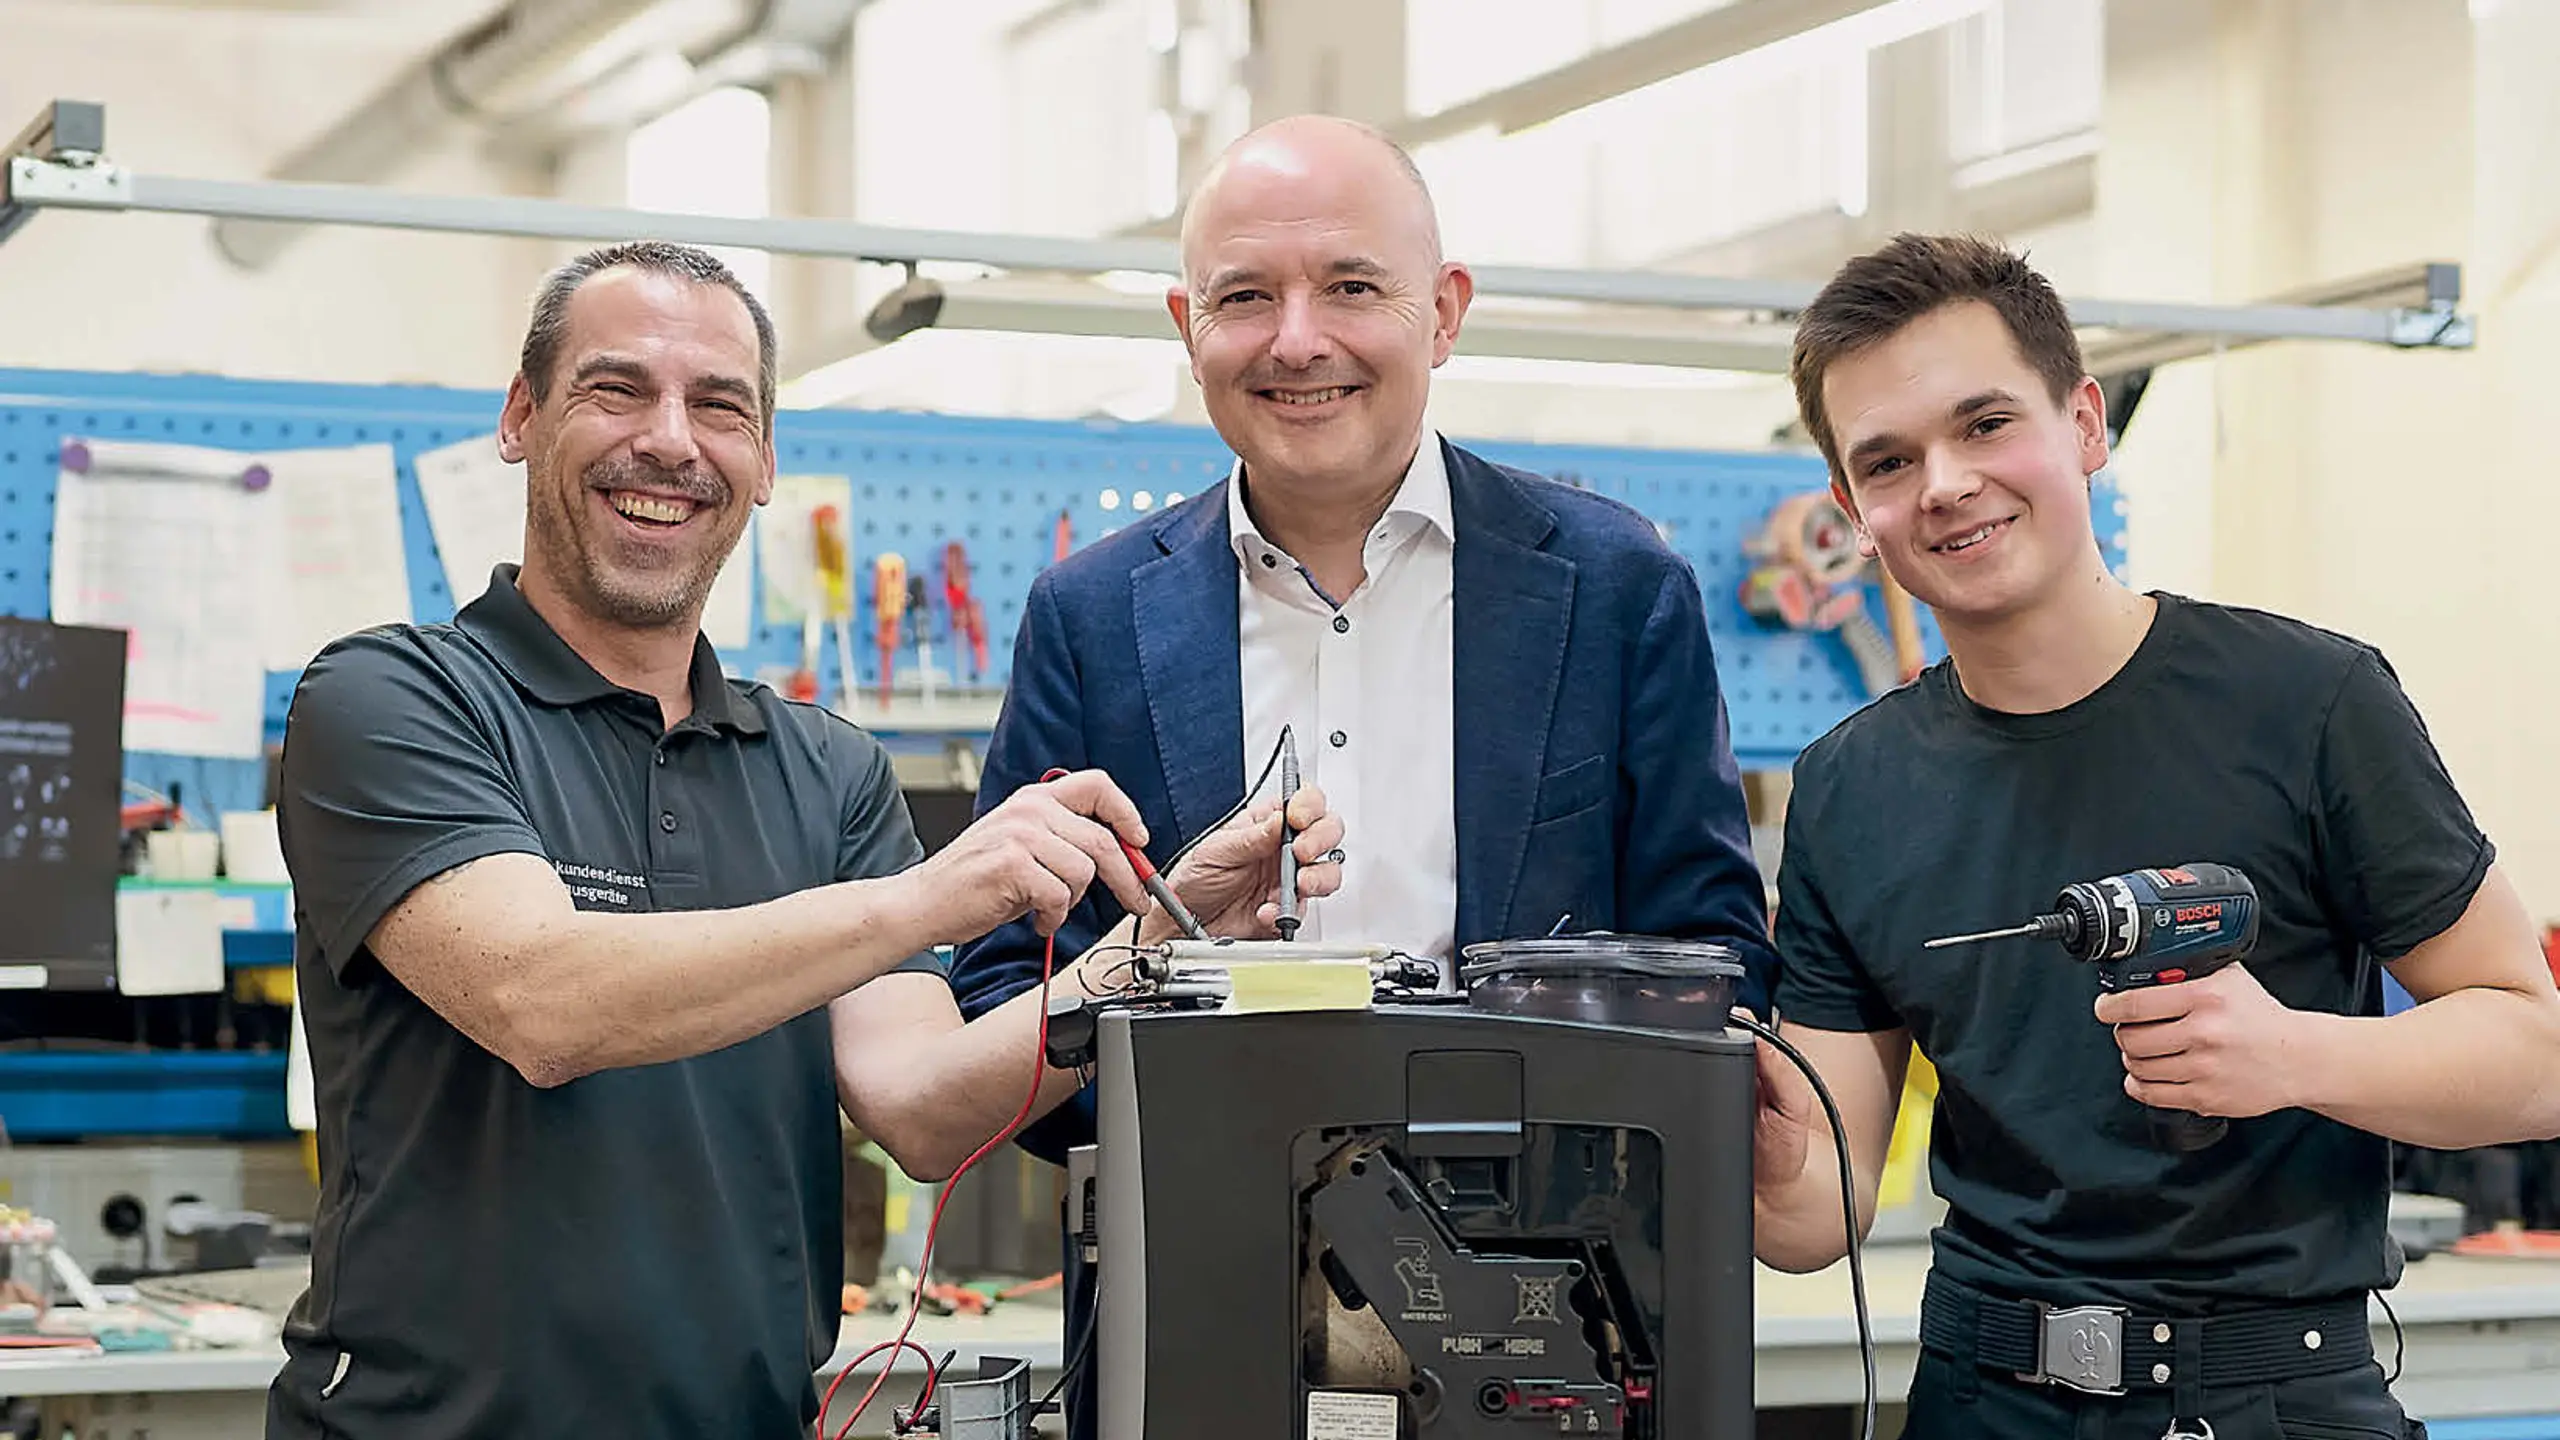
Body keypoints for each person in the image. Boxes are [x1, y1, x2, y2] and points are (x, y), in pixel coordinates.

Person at [265, 240, 1338, 1440]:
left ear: (765, 460)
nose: (670, 441)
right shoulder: (391, 699)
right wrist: (929, 898)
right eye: (617, 390)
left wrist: (1147, 958)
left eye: (720, 407)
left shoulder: (826, 770)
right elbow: (541, 1001)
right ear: (521, 417)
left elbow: (924, 1110)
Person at [1751, 232, 2560, 1438]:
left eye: (1985, 424)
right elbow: (1821, 1213)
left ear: (2084, 424)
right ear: (1851, 509)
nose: (1944, 484)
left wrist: (2293, 1056)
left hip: (2267, 1395)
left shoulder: (2307, 703)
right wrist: (1751, 1145)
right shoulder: (1845, 786)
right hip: (1978, 1394)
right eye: (1888, 460)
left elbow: (2538, 1057)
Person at [938, 112, 1777, 1170]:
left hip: (1544, 1245)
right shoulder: (1088, 618)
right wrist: (1179, 1140)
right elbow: (1002, 987)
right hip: (1194, 1238)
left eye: (1350, 286)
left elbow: (1713, 968)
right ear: (1187, 328)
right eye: (1245, 296)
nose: (1297, 341)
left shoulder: (1619, 589)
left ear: (1444, 313)